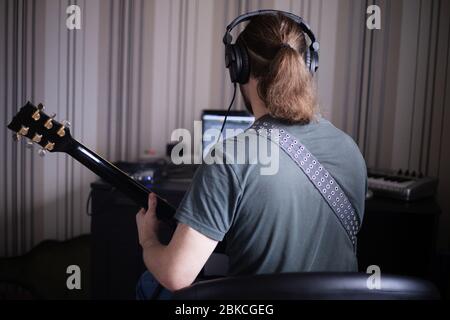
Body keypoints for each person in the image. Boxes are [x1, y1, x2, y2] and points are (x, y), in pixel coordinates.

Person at [135, 12, 367, 300]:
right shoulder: (350, 149)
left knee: (150, 283)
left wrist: (148, 238)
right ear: (309, 66)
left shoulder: (229, 157)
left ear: (239, 69)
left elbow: (176, 275)